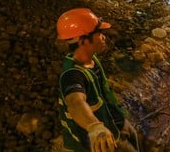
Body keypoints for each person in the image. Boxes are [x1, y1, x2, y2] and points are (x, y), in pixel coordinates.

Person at [56, 8, 140, 152]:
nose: (103, 37)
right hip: (101, 142)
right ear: (83, 41)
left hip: (114, 123)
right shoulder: (72, 75)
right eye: (99, 33)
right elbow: (75, 102)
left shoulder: (91, 60)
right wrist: (94, 126)